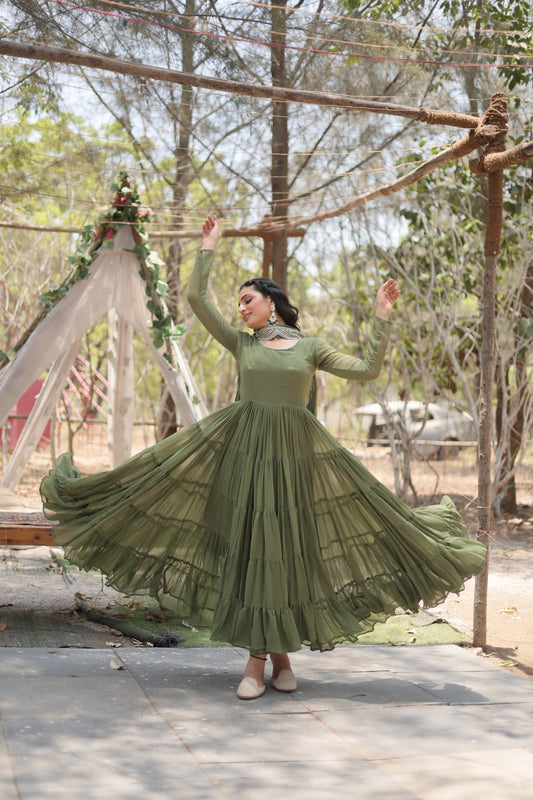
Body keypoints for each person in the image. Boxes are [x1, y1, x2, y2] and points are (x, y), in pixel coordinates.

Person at [41, 214, 486, 701]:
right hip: (245, 461)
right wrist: (209, 245)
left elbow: (366, 369)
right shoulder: (242, 343)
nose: (241, 309)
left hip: (294, 464)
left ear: (271, 302)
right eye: (238, 303)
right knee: (255, 554)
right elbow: (195, 300)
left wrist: (380, 315)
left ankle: (267, 661)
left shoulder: (310, 347)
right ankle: (268, 661)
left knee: (284, 556)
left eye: (248, 300)